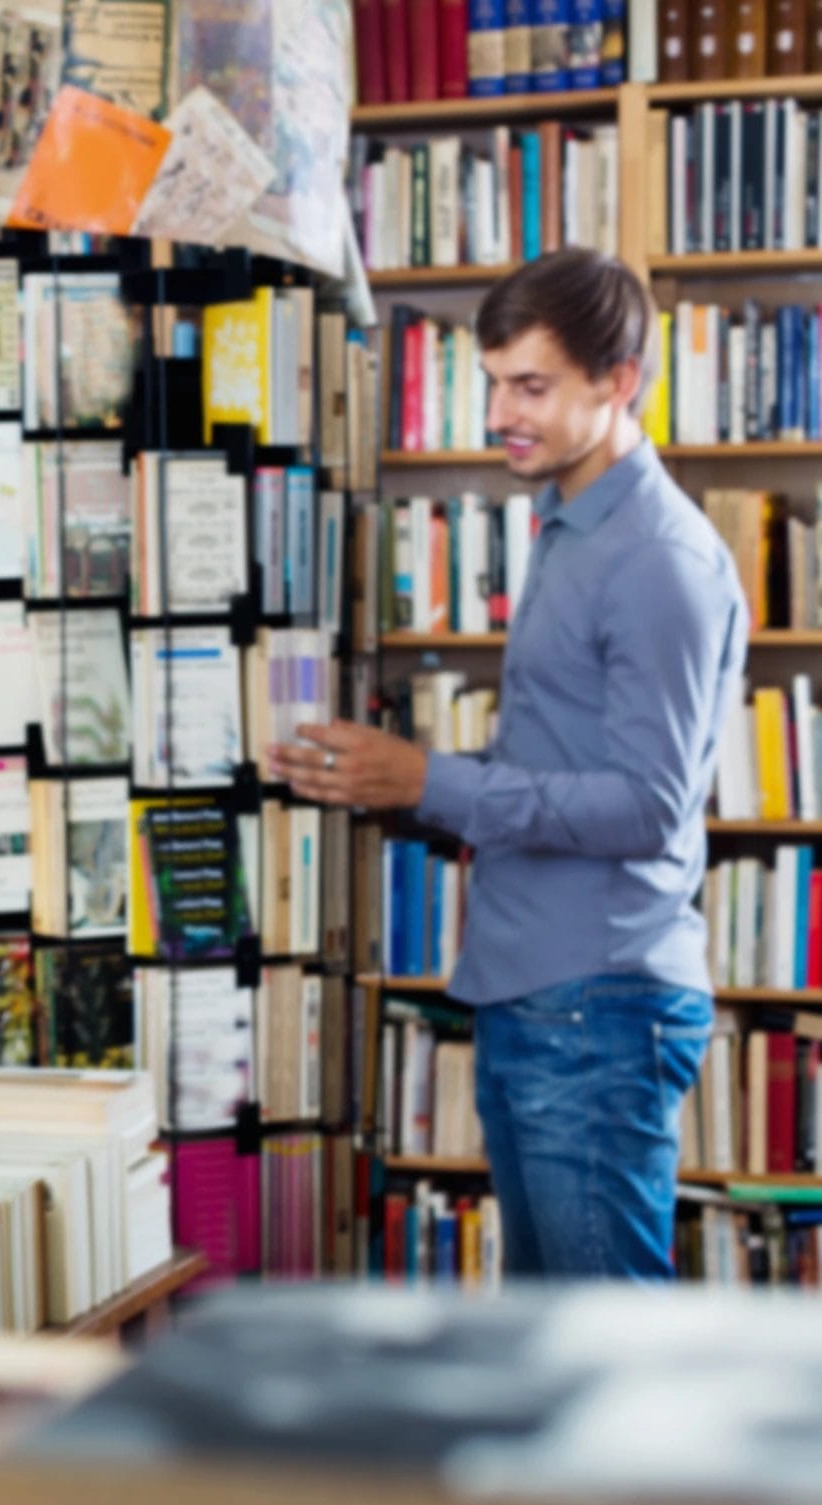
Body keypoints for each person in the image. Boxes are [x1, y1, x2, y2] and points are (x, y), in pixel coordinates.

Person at [271, 248, 746, 1281]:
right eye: (493, 382)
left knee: (599, 1351)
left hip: (597, 1004)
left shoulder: (658, 559)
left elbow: (648, 807)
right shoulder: (571, 527)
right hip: (541, 994)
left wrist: (426, 781)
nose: (498, 413)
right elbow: (560, 760)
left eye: (529, 385)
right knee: (551, 1343)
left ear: (617, 380)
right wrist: (386, 782)